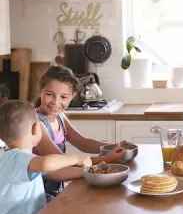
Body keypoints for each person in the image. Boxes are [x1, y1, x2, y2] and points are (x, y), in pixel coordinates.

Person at [0, 100, 92, 214]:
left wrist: (88, 173)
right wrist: (76, 158)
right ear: (36, 129)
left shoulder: (7, 157)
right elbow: (47, 164)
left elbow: (54, 173)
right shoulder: (20, 158)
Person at [32, 65, 126, 196]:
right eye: (49, 94)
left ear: (72, 96)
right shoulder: (36, 123)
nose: (56, 102)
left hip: (57, 187)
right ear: (40, 91)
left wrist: (111, 147)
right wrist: (106, 159)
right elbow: (61, 160)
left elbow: (83, 142)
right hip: (38, 192)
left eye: (63, 97)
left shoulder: (60, 116)